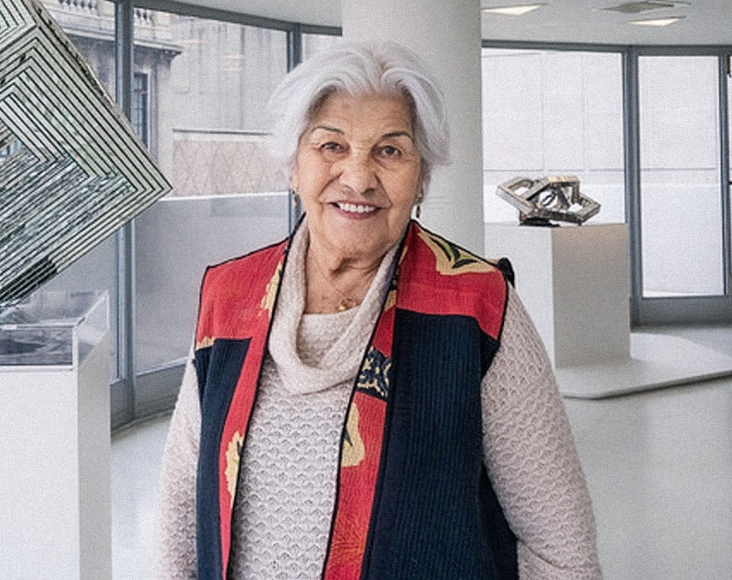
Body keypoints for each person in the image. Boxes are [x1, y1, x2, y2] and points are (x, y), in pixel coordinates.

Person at [156, 40, 602, 580]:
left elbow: (560, 546)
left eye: (390, 151)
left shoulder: (475, 307)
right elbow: (182, 509)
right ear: (293, 166)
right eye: (331, 145)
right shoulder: (231, 296)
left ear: (422, 179)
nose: (358, 177)